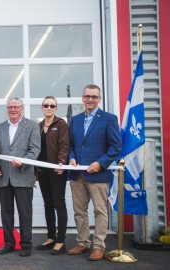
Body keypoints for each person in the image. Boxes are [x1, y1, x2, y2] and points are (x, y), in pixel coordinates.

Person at [67, 84, 122, 261]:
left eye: (94, 96)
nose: (90, 99)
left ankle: (98, 246)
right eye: (87, 96)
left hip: (98, 174)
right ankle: (83, 242)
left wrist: (100, 163)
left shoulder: (109, 119)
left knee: (100, 211)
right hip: (78, 174)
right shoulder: (74, 120)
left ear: (99, 99)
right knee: (79, 211)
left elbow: (116, 147)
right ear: (82, 98)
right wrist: (72, 158)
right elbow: (71, 145)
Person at [0, 96, 40, 257]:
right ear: (7, 109)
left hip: (23, 176)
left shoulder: (32, 126)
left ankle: (26, 244)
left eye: (16, 107)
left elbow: (35, 150)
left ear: (22, 108)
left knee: (24, 213)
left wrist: (23, 162)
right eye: (10, 107)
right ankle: (9, 243)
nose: (13, 110)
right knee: (6, 213)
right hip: (4, 177)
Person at [35, 96, 69, 255]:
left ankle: (61, 241)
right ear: (42, 108)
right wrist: (35, 171)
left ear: (56, 108)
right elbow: (36, 149)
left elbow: (64, 144)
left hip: (57, 171)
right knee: (47, 204)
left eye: (52, 106)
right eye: (46, 105)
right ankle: (51, 237)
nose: (49, 108)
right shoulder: (39, 126)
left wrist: (61, 162)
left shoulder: (61, 124)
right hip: (42, 171)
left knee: (59, 204)